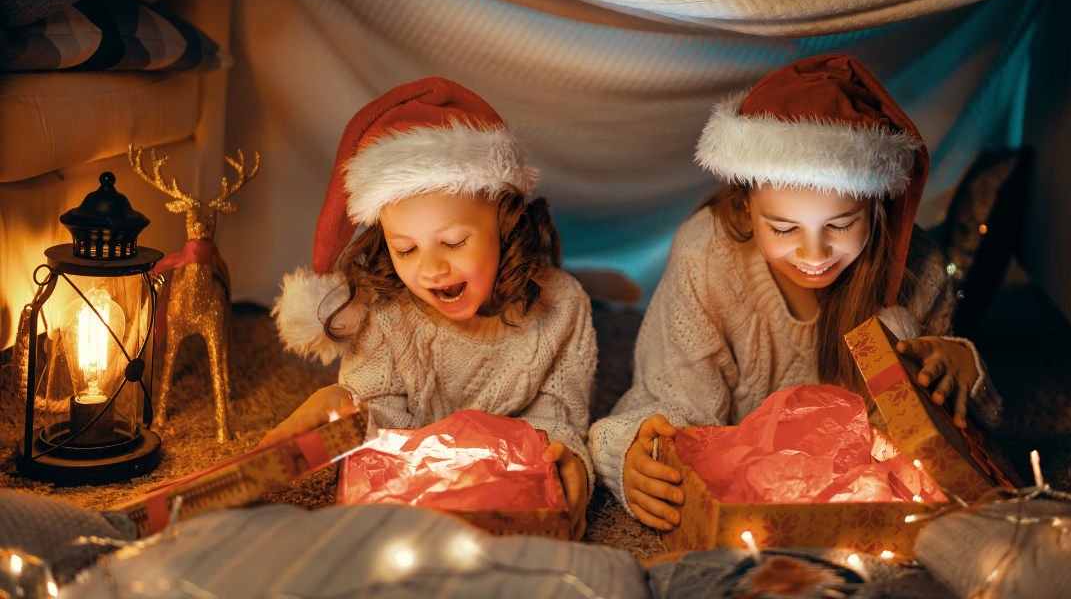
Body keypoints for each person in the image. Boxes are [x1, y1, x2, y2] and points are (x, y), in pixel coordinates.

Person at [588, 54, 1003, 532]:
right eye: (783, 227)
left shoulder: (921, 271)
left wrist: (962, 369)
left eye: (842, 224)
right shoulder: (707, 258)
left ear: (876, 207)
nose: (813, 254)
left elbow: (944, 438)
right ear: (746, 206)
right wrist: (640, 452)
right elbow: (676, 398)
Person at [263, 77, 595, 540]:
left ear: (503, 222)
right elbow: (378, 418)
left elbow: (559, 420)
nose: (432, 268)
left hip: (508, 492)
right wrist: (343, 410)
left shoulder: (564, 310)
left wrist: (566, 458)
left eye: (453, 242)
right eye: (406, 249)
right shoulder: (386, 310)